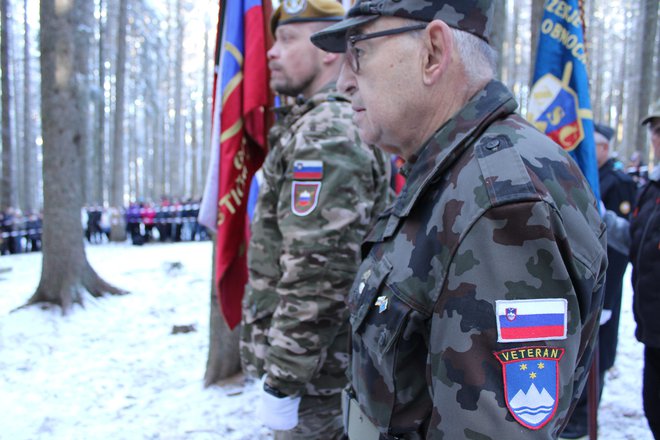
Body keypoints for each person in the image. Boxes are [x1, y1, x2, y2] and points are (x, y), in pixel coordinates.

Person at [311, 1, 608, 438]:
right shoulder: (450, 175)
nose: (343, 81)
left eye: (359, 52)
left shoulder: (501, 203)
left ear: (432, 51)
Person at [239, 1, 391, 439]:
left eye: (287, 40)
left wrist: (283, 380)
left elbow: (319, 272)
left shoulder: (326, 132)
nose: (271, 52)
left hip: (320, 380)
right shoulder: (321, 122)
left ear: (329, 49)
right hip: (321, 369)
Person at [561, 123, 638, 439]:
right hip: (576, 277)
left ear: (605, 148)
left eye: (596, 145)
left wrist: (606, 294)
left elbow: (620, 246)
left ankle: (586, 415)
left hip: (605, 282)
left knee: (599, 350)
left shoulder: (617, 183)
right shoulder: (572, 172)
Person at [630, 99, 660, 438]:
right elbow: (638, 237)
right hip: (653, 333)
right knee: (654, 410)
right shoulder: (651, 188)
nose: (658, 138)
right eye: (655, 131)